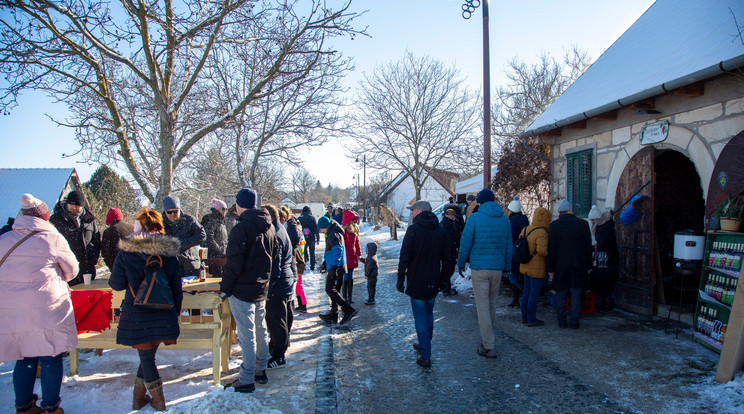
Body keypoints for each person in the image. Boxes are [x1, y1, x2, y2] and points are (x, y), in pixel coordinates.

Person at [1, 194, 78, 414]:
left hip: (13, 310)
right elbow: (72, 270)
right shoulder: (53, 238)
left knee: (24, 356)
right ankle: (50, 407)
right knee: (51, 355)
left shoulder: (4, 239)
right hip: (46, 308)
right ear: (44, 216)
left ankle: (24, 407)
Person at [109, 207, 182, 411]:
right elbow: (177, 286)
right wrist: (175, 313)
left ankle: (158, 401)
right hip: (164, 311)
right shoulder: (169, 252)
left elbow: (116, 284)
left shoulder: (127, 251)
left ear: (138, 226)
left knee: (146, 356)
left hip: (137, 313)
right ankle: (138, 398)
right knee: (147, 355)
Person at [220, 188, 278, 393]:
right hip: (261, 287)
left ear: (239, 204)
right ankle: (260, 370)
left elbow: (233, 264)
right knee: (260, 330)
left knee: (248, 333)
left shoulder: (241, 228)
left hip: (243, 289)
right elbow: (274, 257)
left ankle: (246, 378)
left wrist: (224, 289)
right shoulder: (269, 227)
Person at [457, 189, 512, 358]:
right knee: (491, 305)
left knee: (482, 307)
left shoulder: (474, 218)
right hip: (497, 268)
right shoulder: (504, 219)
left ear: (480, 202)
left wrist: (460, 263)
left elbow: (465, 243)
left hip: (480, 267)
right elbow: (508, 245)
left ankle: (488, 345)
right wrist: (507, 267)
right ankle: (486, 339)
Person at [397, 200, 449, 368]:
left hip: (417, 280)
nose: (412, 213)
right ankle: (424, 343)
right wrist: (444, 279)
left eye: (413, 210)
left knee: (420, 316)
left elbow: (405, 256)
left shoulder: (413, 230)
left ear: (420, 211)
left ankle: (426, 354)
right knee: (428, 314)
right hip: (433, 280)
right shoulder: (440, 231)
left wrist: (400, 278)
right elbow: (447, 258)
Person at [547, 200, 594, 329]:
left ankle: (561, 321)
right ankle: (574, 321)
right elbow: (588, 247)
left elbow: (552, 249)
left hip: (560, 265)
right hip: (578, 265)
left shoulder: (554, 226)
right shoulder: (583, 224)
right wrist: (589, 266)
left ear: (560, 213)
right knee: (576, 294)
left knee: (560, 294)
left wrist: (550, 268)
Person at [264, 205, 294, 371]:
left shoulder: (275, 232)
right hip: (286, 278)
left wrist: (270, 287)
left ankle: (279, 355)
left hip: (280, 282)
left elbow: (275, 263)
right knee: (285, 316)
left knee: (277, 320)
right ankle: (280, 345)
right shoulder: (280, 227)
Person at [50, 189, 102, 286]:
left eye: (77, 205)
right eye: (72, 204)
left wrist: (92, 259)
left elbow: (96, 241)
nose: (74, 207)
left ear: (82, 206)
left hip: (86, 270)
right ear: (66, 204)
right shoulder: (56, 220)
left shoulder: (89, 220)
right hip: (65, 272)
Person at [318, 215, 357, 325]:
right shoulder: (332, 233)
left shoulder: (333, 234)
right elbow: (331, 251)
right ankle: (333, 314)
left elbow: (338, 250)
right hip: (336, 266)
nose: (320, 231)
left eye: (321, 228)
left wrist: (334, 267)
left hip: (336, 268)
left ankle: (348, 309)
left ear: (325, 226)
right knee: (334, 290)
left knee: (330, 289)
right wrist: (326, 263)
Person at [518, 207, 552, 327]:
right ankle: (531, 318)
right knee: (534, 293)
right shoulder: (542, 233)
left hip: (525, 265)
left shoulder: (526, 229)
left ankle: (524, 316)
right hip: (536, 267)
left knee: (526, 291)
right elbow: (542, 251)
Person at [162, 195, 206, 278]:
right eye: (169, 212)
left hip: (189, 262)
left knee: (191, 289)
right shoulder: (159, 223)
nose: (172, 214)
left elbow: (202, 236)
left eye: (175, 211)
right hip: (169, 264)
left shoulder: (189, 220)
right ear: (165, 211)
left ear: (180, 210)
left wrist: (181, 243)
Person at [589, 207, 620, 312]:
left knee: (608, 282)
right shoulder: (603, 227)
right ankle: (606, 301)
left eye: (593, 220)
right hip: (607, 258)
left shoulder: (605, 228)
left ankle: (609, 303)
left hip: (608, 259)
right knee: (608, 282)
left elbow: (604, 244)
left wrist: (592, 248)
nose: (591, 222)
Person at [279, 206, 307, 313]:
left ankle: (303, 304)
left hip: (297, 259)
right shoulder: (297, 227)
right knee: (298, 284)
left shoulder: (292, 229)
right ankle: (301, 303)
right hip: (299, 257)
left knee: (298, 284)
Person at [507, 196, 530, 308]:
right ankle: (516, 298)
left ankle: (522, 294)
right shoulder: (525, 220)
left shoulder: (512, 222)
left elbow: (509, 237)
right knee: (520, 274)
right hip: (524, 250)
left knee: (513, 275)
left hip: (514, 250)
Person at [201, 198, 228, 277]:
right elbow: (209, 238)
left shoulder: (221, 221)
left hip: (222, 255)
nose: (225, 211)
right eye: (223, 209)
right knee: (215, 279)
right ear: (217, 209)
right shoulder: (212, 220)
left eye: (226, 209)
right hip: (214, 256)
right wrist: (219, 250)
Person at [439, 206, 462, 296]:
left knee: (448, 269)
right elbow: (449, 238)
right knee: (447, 269)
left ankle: (445, 286)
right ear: (449, 215)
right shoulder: (447, 224)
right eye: (452, 216)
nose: (454, 217)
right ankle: (445, 288)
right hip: (448, 251)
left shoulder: (445, 223)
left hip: (448, 250)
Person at [341, 210, 361, 304]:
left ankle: (350, 296)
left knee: (350, 276)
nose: (353, 221)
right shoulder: (343, 231)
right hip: (345, 255)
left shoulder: (354, 230)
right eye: (352, 219)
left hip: (352, 255)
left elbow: (357, 243)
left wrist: (359, 253)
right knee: (346, 276)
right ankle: (344, 297)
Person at [298, 206, 319, 271]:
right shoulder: (312, 218)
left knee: (303, 252)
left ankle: (303, 266)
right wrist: (318, 238)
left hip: (302, 238)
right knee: (312, 252)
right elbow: (316, 229)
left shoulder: (299, 218)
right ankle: (312, 266)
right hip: (311, 237)